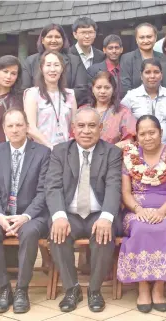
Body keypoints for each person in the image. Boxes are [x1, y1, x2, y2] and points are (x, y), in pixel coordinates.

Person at [44, 108, 122, 313]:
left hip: (98, 213)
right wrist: (59, 216)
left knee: (105, 234)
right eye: (81, 125)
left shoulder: (112, 152)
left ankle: (95, 290)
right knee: (57, 233)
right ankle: (72, 289)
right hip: (69, 213)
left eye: (91, 125)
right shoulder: (60, 151)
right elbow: (52, 187)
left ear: (101, 128)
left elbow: (114, 186)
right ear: (73, 129)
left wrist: (106, 217)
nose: (86, 131)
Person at [0, 108, 51, 314]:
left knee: (29, 232)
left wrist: (26, 216)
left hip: (31, 215)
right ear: (3, 129)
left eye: (19, 125)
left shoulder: (42, 153)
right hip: (2, 213)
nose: (15, 130)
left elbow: (43, 192)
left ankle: (21, 289)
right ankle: (3, 289)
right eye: (10, 126)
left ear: (27, 127)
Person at [116, 115, 166, 313]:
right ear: (136, 136)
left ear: (161, 133)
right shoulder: (129, 156)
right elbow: (125, 193)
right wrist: (138, 210)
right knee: (140, 228)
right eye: (142, 134)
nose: (148, 137)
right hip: (136, 210)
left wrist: (162, 212)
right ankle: (142, 286)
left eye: (152, 132)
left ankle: (159, 286)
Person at [20, 24, 89, 105]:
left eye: (57, 37)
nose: (53, 40)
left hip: (68, 107)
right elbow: (25, 90)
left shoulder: (75, 61)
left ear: (63, 40)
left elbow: (82, 90)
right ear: (42, 40)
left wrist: (57, 99)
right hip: (38, 108)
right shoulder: (30, 61)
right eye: (49, 37)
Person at [23, 51, 78, 149]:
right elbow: (30, 128)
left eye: (56, 65)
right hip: (40, 150)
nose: (52, 69)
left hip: (65, 151)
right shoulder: (32, 94)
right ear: (41, 68)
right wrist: (51, 147)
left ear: (62, 69)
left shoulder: (70, 94)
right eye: (48, 65)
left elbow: (74, 126)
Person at [121, 58, 166, 142]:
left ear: (161, 75)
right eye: (148, 72)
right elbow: (122, 121)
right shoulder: (131, 96)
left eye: (156, 72)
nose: (152, 76)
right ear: (141, 75)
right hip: (140, 147)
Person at [79, 71, 136, 147]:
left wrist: (109, 151)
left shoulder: (123, 112)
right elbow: (74, 136)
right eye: (98, 87)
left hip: (112, 156)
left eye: (107, 88)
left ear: (113, 89)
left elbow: (130, 140)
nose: (102, 91)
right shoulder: (83, 111)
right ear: (92, 89)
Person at [119, 23, 166, 97]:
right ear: (136, 39)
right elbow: (125, 87)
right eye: (142, 37)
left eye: (149, 37)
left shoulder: (164, 58)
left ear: (155, 38)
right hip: (135, 103)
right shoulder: (127, 59)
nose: (146, 40)